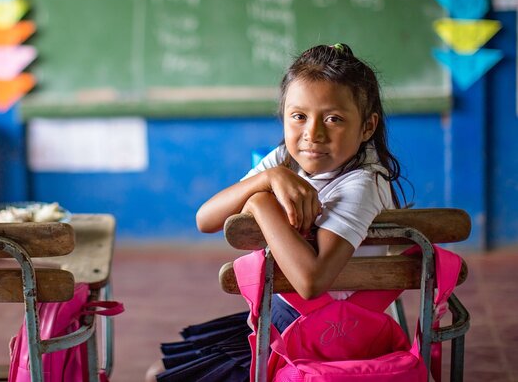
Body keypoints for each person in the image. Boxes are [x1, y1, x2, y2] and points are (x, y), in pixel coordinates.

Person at [147, 43, 406, 382]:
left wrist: (259, 202)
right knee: (160, 372)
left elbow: (311, 282)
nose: (313, 133)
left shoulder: (361, 183)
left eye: (333, 119)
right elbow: (205, 219)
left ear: (367, 127)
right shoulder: (285, 160)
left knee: (158, 377)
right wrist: (268, 178)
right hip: (287, 318)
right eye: (299, 116)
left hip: (331, 336)